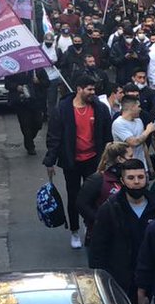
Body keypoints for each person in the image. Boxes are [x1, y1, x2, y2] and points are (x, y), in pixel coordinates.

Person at [44, 75, 112, 249]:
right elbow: (54, 137)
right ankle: (74, 230)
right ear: (79, 89)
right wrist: (50, 161)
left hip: (94, 161)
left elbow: (106, 136)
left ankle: (90, 226)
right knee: (74, 196)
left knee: (94, 195)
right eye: (89, 89)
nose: (92, 93)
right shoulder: (62, 109)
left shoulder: (100, 109)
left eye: (94, 90)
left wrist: (108, 158)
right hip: (72, 161)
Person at [89, 159, 155, 304]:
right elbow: (97, 249)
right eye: (131, 178)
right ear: (122, 181)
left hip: (147, 278)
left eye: (140, 177)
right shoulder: (110, 209)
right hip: (119, 280)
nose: (136, 182)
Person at [76, 142, 130, 240]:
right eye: (130, 156)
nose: (133, 159)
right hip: (100, 236)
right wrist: (99, 219)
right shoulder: (97, 180)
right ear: (120, 159)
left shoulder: (130, 179)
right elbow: (81, 204)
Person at [4, 70, 49, 156]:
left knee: (38, 123)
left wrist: (38, 81)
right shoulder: (14, 69)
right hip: (21, 103)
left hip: (36, 101)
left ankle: (29, 139)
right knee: (25, 125)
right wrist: (16, 87)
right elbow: (7, 84)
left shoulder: (38, 69)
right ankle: (30, 146)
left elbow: (47, 83)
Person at [113, 95, 155, 167]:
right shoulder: (118, 123)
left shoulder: (138, 121)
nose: (140, 109)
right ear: (132, 107)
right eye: (138, 106)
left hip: (142, 165)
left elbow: (143, 144)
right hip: (127, 166)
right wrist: (148, 130)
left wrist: (149, 166)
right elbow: (134, 142)